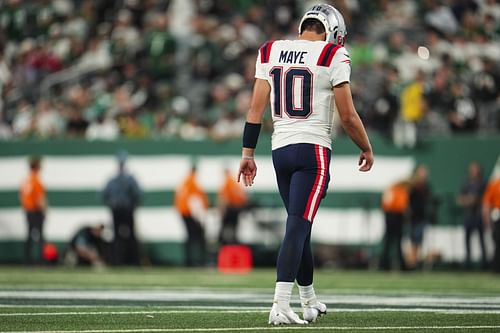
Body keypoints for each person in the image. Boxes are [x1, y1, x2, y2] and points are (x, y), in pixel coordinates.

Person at [237, 4, 374, 325]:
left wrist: (247, 154)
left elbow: (254, 110)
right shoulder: (333, 55)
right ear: (333, 31)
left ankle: (309, 300)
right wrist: (366, 147)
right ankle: (281, 303)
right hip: (312, 151)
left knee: (300, 227)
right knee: (298, 225)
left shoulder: (270, 50)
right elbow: (349, 115)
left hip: (280, 151)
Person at [102, 150, 142, 266]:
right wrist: (134, 205)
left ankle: (118, 261)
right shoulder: (129, 179)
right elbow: (138, 194)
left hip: (117, 209)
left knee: (119, 237)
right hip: (126, 209)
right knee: (130, 236)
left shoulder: (113, 180)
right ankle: (132, 261)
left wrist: (111, 204)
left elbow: (105, 195)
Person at [174, 165, 209, 266]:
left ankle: (189, 261)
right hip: (189, 213)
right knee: (198, 237)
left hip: (183, 212)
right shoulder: (193, 182)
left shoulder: (184, 181)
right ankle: (198, 261)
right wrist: (198, 217)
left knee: (190, 237)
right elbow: (194, 201)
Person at [457, 161, 487, 269]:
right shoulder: (466, 183)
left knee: (481, 239)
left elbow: (480, 199)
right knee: (467, 240)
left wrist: (471, 200)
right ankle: (467, 263)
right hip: (468, 215)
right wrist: (469, 200)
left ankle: (484, 263)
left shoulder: (483, 183)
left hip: (479, 215)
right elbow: (460, 199)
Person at [19, 155, 47, 265]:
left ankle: (27, 259)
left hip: (28, 211)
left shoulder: (26, 181)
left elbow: (22, 195)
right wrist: (44, 211)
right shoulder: (36, 181)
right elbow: (40, 199)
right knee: (40, 237)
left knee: (29, 236)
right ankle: (41, 260)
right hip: (36, 211)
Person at [379, 180, 409, 271]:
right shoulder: (397, 191)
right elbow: (398, 205)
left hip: (392, 216)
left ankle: (385, 264)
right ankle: (386, 264)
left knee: (391, 241)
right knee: (393, 241)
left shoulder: (394, 190)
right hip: (394, 216)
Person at [408, 164, 433, 269]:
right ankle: (412, 262)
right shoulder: (413, 186)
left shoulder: (426, 187)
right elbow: (408, 200)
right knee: (413, 240)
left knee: (419, 240)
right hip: (414, 217)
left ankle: (415, 261)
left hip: (422, 217)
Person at [218, 167, 249, 244]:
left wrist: (222, 211)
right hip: (238, 208)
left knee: (225, 227)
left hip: (231, 208)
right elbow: (244, 196)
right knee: (234, 227)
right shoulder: (235, 182)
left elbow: (223, 199)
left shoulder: (227, 182)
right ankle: (233, 241)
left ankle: (223, 242)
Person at [483, 174, 500, 273]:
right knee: (498, 242)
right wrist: (486, 218)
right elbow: (487, 202)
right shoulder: (495, 184)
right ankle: (497, 268)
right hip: (498, 216)